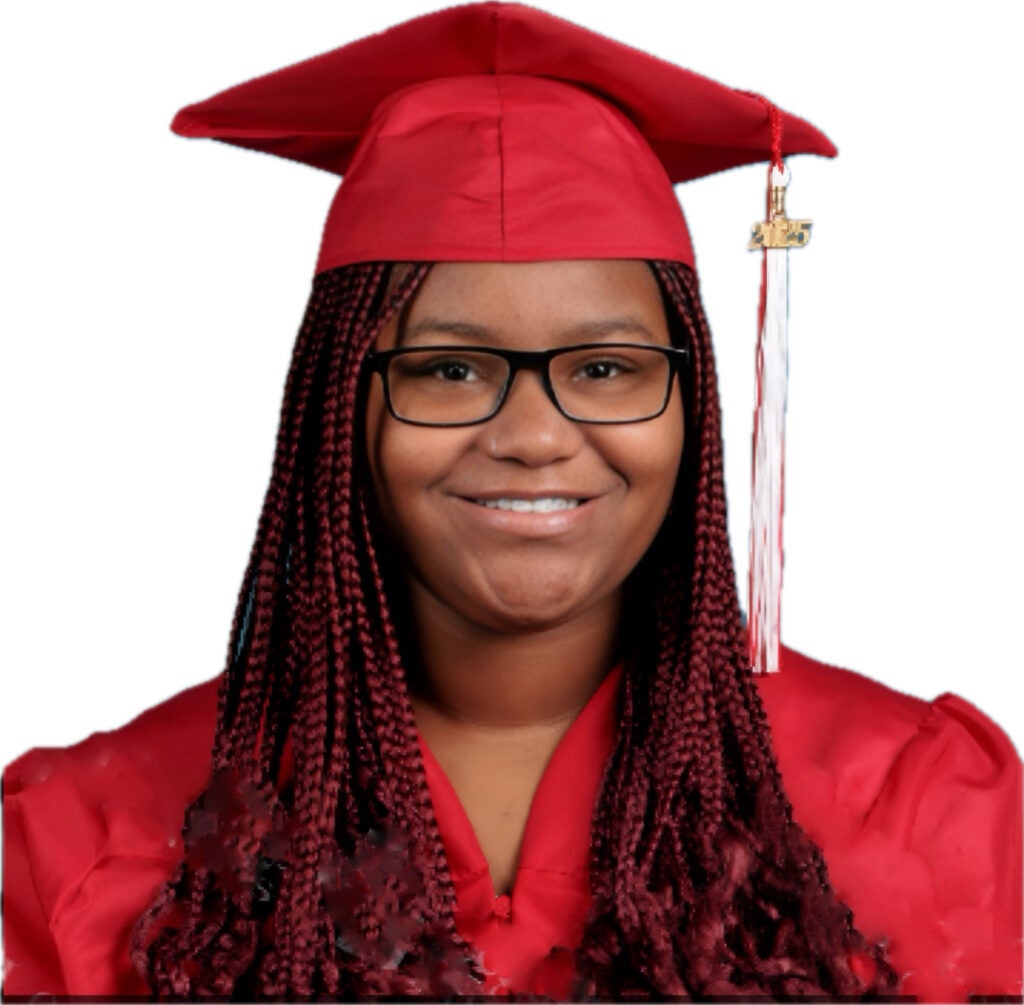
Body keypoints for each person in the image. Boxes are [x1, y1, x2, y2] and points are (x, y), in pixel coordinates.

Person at [2, 4, 1021, 1001]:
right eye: (449, 370)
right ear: (337, 405)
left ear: (693, 404)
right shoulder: (85, 844)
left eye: (607, 368)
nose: (534, 437)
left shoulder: (920, 805)